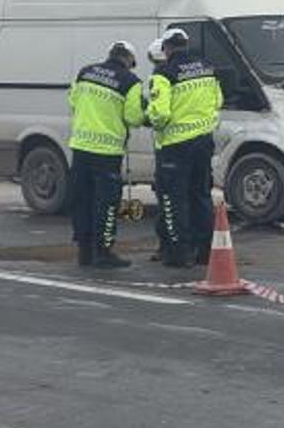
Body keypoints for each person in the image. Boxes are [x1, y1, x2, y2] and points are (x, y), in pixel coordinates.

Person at [146, 28, 223, 268]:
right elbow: (218, 101)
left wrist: (149, 117)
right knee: (200, 195)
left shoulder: (164, 72)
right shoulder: (207, 68)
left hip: (175, 146)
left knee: (173, 199)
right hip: (203, 140)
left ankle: (179, 253)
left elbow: (160, 114)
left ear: (166, 48)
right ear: (186, 44)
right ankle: (205, 252)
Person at [67, 41, 144, 269]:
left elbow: (73, 101)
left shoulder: (85, 72)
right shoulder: (130, 82)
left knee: (82, 201)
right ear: (129, 60)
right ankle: (103, 251)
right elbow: (133, 118)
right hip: (108, 153)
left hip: (81, 147)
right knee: (106, 203)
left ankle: (84, 252)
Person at [145, 37, 172, 263]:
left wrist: (149, 118)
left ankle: (167, 247)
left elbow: (159, 114)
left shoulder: (160, 78)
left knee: (168, 200)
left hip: (168, 146)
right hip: (197, 142)